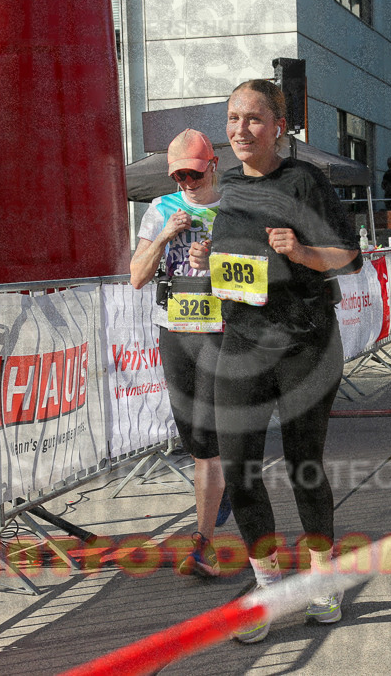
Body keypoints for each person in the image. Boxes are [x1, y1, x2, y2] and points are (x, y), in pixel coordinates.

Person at [205, 79, 361, 643]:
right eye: (232, 119)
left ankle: (323, 579)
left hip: (306, 343)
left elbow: (349, 256)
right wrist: (209, 258)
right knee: (239, 470)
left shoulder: (305, 181)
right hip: (242, 346)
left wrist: (299, 252)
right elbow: (234, 267)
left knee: (304, 466)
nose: (240, 130)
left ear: (278, 126)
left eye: (252, 119)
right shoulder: (227, 188)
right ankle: (268, 586)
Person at [129, 128, 229, 579]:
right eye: (178, 175)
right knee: (193, 439)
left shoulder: (233, 207)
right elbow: (136, 277)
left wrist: (217, 262)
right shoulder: (160, 210)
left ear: (212, 165)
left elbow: (259, 277)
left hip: (222, 333)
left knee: (207, 441)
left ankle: (202, 540)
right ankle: (219, 493)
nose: (186, 182)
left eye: (193, 172)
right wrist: (166, 235)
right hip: (175, 332)